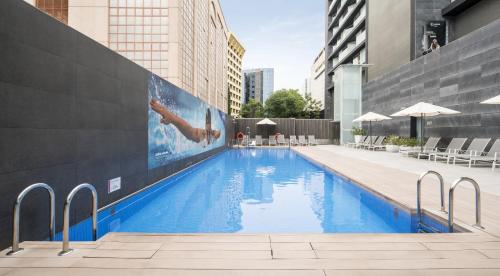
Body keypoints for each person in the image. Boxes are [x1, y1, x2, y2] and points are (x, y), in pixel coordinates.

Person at [150, 99, 221, 146]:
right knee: (174, 119)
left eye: (214, 132)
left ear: (213, 136)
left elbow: (208, 123)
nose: (213, 131)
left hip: (191, 132)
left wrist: (208, 110)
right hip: (191, 132)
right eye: (214, 130)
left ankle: (155, 107)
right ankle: (167, 120)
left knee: (173, 118)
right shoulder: (208, 136)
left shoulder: (208, 137)